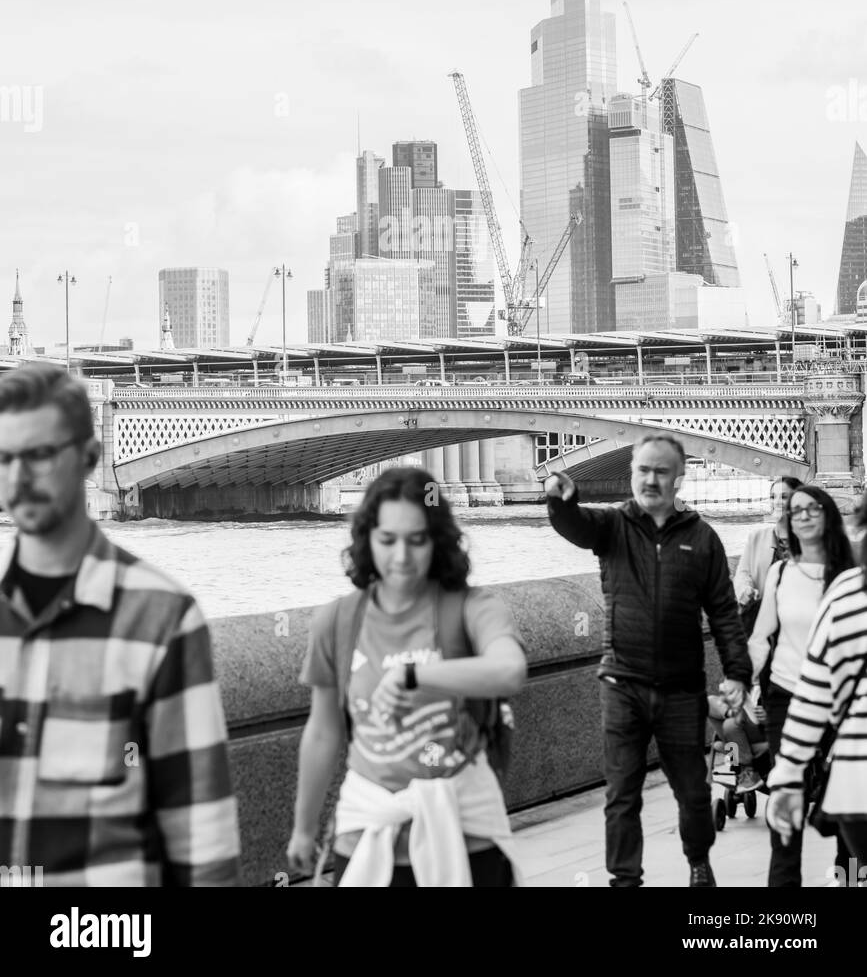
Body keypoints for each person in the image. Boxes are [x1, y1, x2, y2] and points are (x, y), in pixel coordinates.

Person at [0, 363, 240, 885]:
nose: (18, 478)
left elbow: (204, 843)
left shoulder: (161, 619)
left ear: (89, 458)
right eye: (4, 458)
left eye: (40, 454)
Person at [286, 466, 527, 887]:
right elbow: (323, 731)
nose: (401, 557)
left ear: (437, 540)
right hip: (366, 827)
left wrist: (414, 675)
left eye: (417, 540)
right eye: (387, 540)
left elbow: (509, 671)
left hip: (464, 825)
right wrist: (303, 828)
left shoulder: (472, 607)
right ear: (366, 540)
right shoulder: (337, 622)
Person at [545, 434, 751, 889]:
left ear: (679, 478)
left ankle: (699, 864)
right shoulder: (613, 526)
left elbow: (723, 611)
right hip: (622, 683)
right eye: (642, 470)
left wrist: (737, 673)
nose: (650, 479)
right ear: (631, 473)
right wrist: (562, 503)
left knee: (693, 793)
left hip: (682, 689)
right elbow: (577, 527)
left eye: (661, 471)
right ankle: (625, 881)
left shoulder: (702, 538)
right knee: (621, 793)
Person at [749, 484, 856, 886]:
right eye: (796, 511)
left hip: (841, 704)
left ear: (829, 515)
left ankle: (852, 881)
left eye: (814, 508)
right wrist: (742, 678)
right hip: (788, 698)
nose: (805, 515)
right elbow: (761, 638)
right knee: (785, 805)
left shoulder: (852, 576)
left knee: (850, 810)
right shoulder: (780, 573)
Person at [734, 476, 800, 628]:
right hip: (762, 622)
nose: (776, 502)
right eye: (772, 497)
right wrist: (745, 590)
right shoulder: (756, 538)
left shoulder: (808, 541)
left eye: (784, 497)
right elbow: (743, 574)